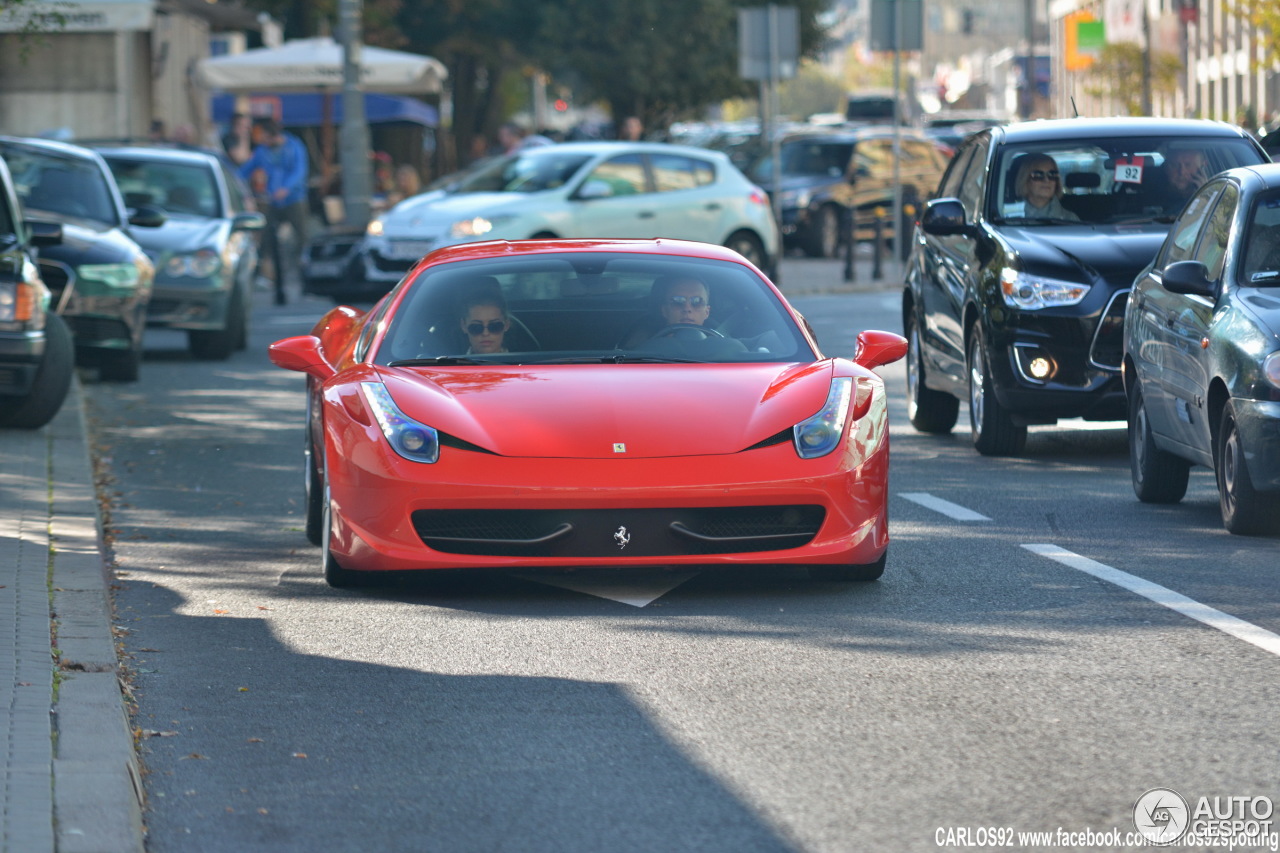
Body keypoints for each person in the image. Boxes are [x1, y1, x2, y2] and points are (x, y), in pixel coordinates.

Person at [238, 118, 309, 305]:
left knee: (302, 237)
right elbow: (246, 169)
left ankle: (304, 272)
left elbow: (299, 170)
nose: (263, 142)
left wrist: (286, 188)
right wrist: (236, 183)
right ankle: (267, 275)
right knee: (267, 237)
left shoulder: (294, 146)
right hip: (272, 200)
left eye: (265, 138)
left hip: (293, 199)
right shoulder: (262, 151)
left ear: (274, 136)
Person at [1015, 154, 1079, 221]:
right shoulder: (1009, 218)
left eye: (1052, 174)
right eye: (1038, 175)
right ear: (1025, 179)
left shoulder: (1070, 219)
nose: (1046, 180)